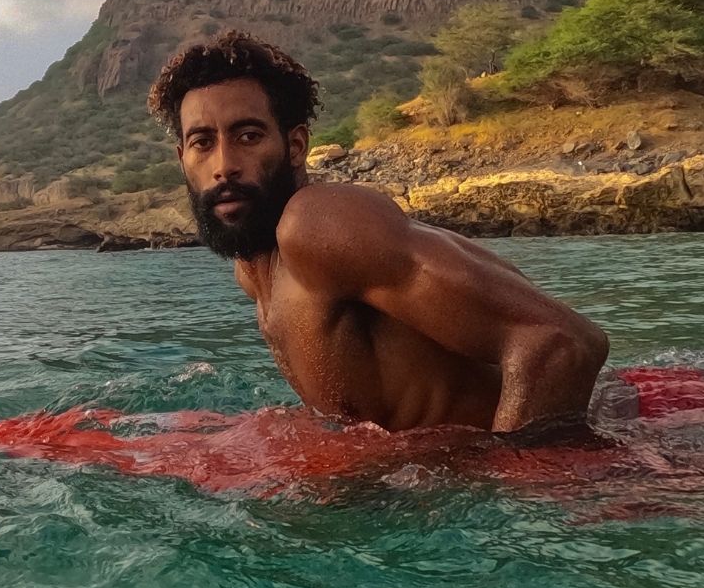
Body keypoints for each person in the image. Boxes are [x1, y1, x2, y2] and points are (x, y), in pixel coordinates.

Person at [145, 29, 609, 433]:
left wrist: (518, 504)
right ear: (182, 159)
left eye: (248, 136)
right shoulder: (253, 269)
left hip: (604, 450)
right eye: (202, 143)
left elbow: (561, 341)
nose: (224, 165)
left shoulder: (318, 226)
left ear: (295, 145)